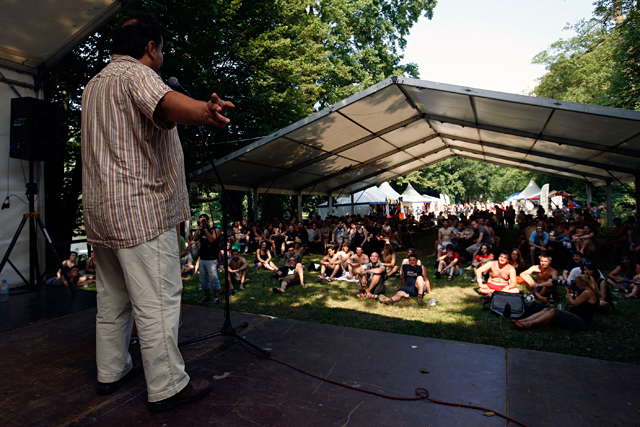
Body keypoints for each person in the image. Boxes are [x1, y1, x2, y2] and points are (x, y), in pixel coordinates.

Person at [81, 12, 233, 412]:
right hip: (140, 211)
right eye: (162, 50)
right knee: (159, 300)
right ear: (151, 47)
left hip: (101, 213)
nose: (161, 57)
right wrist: (203, 111)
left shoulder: (93, 85)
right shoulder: (136, 74)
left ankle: (110, 372)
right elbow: (165, 103)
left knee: (112, 299)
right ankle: (167, 386)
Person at [512, 275, 600, 330]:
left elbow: (574, 303)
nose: (576, 285)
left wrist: (567, 291)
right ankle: (523, 320)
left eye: (577, 284)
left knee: (553, 312)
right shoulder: (588, 292)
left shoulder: (588, 292)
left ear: (583, 284)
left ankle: (529, 324)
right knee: (546, 309)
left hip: (581, 322)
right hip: (577, 317)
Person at [194, 214, 222, 304]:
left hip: (212, 258)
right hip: (202, 257)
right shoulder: (201, 230)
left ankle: (217, 297)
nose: (202, 222)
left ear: (208, 220)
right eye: (201, 221)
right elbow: (194, 239)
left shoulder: (215, 230)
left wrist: (205, 229)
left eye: (204, 221)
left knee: (213, 278)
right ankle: (207, 296)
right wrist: (198, 228)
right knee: (203, 279)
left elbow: (211, 239)